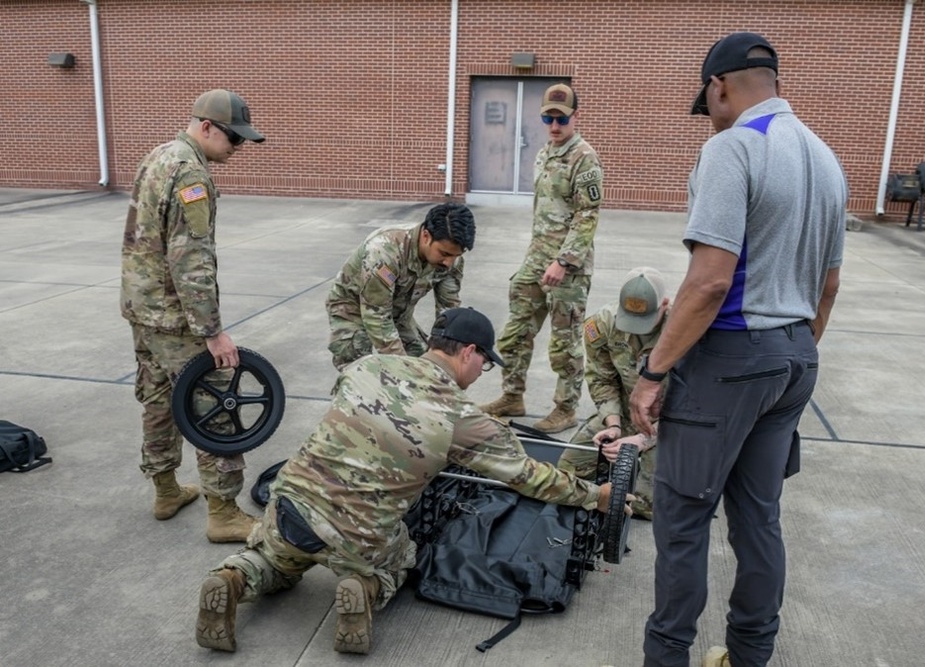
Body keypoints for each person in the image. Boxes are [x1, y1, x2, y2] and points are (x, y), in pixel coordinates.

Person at [195, 307, 626, 656]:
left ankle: (234, 577)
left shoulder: (367, 365)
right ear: (469, 352)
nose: (482, 373)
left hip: (288, 507)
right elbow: (530, 477)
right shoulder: (463, 417)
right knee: (402, 556)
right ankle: (363, 587)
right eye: (484, 364)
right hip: (358, 536)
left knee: (276, 559)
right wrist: (595, 495)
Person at [628, 33, 846, 667]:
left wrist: (652, 373)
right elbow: (827, 285)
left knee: (683, 523)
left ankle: (666, 656)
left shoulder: (732, 148)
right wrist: (789, 353)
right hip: (795, 356)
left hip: (729, 360)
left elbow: (710, 281)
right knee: (759, 519)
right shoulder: (826, 158)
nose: (710, 113)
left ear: (719, 87)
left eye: (708, 101)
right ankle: (750, 655)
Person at [121, 89, 265, 543]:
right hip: (176, 316)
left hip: (143, 309)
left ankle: (165, 491)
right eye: (233, 139)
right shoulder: (189, 174)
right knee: (214, 403)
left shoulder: (158, 156)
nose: (237, 149)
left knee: (159, 399)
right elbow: (191, 259)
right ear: (206, 127)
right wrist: (213, 332)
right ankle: (223, 513)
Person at [480, 83, 604, 434]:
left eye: (561, 118)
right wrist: (538, 258)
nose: (554, 125)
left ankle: (565, 409)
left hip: (570, 268)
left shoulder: (584, 158)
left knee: (564, 343)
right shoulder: (545, 152)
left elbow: (587, 216)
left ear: (575, 117)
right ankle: (512, 395)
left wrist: (563, 262)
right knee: (515, 331)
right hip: (536, 259)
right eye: (548, 118)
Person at [556, 267, 670, 520]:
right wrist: (613, 423)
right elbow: (600, 377)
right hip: (627, 412)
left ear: (664, 305)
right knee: (568, 474)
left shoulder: (685, 334)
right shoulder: (603, 323)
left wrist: (645, 440)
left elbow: (698, 405)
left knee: (647, 507)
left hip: (673, 423)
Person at [325, 203, 475, 371]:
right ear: (426, 236)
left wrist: (447, 353)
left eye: (456, 256)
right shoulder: (385, 251)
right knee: (360, 373)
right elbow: (377, 317)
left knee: (424, 365)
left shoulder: (452, 260)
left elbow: (448, 311)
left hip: (398, 312)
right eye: (444, 254)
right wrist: (401, 368)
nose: (449, 263)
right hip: (353, 309)